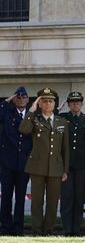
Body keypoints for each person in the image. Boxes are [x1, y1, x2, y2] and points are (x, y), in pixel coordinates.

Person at [19, 88, 69, 236]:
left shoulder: (62, 122)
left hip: (56, 167)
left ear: (54, 104)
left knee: (52, 202)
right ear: (40, 103)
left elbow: (65, 148)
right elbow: (23, 129)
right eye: (45, 101)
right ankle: (36, 230)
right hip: (37, 167)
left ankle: (48, 231)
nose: (48, 103)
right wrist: (31, 110)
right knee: (37, 202)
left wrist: (65, 170)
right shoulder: (34, 120)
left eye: (51, 101)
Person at [59, 91, 85, 237]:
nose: (76, 104)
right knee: (66, 198)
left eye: (78, 102)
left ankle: (76, 229)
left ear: (82, 104)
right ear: (68, 104)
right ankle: (67, 229)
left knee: (79, 198)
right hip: (66, 164)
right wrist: (58, 109)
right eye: (73, 102)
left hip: (82, 164)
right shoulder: (62, 118)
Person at [0, 86, 32, 235]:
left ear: (28, 99)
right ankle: (6, 226)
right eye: (18, 97)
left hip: (24, 163)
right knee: (6, 196)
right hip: (7, 163)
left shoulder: (32, 115)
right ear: (14, 99)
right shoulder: (7, 113)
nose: (21, 99)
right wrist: (7, 101)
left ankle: (18, 227)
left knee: (20, 197)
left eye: (24, 97)